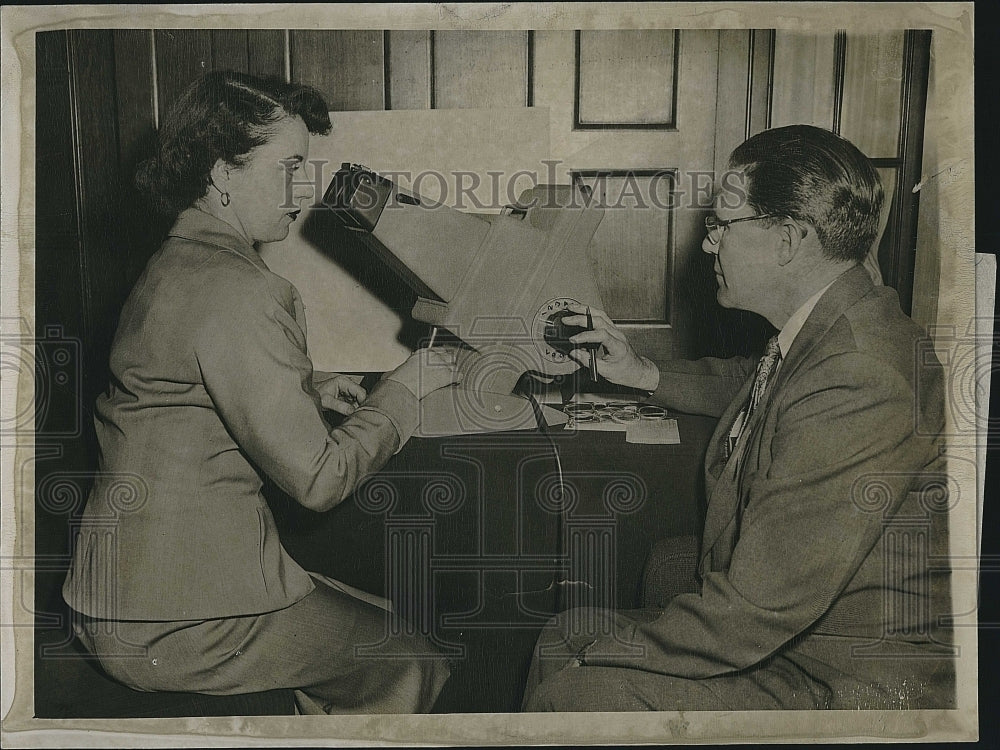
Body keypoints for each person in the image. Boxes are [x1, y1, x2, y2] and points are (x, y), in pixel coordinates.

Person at [62, 71, 459, 714]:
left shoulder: (176, 262)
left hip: (117, 595)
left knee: (377, 615)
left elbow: (188, 389)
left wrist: (307, 387)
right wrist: (404, 391)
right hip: (179, 623)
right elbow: (320, 481)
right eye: (289, 168)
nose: (303, 191)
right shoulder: (244, 290)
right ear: (223, 171)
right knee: (410, 656)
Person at [522, 125, 954, 711]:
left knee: (577, 685)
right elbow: (752, 380)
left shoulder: (859, 375)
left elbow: (755, 611)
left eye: (723, 226)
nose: (707, 245)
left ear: (788, 238)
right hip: (795, 644)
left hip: (840, 680)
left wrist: (605, 656)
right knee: (562, 635)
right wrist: (640, 371)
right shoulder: (834, 326)